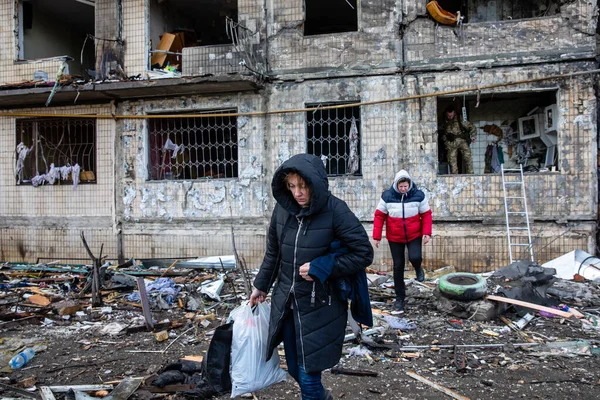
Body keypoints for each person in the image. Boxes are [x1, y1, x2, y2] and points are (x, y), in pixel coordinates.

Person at [250, 153, 374, 400]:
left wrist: (323, 266)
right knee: (295, 367)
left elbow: (363, 253)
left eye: (303, 186)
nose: (298, 193)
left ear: (315, 184)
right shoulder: (283, 210)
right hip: (286, 302)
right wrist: (261, 285)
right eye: (292, 186)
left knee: (308, 374)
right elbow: (274, 253)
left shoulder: (335, 210)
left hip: (321, 305)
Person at [372, 170, 432, 312]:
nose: (403, 189)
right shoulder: (387, 196)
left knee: (415, 257)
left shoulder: (418, 195)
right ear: (396, 185)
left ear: (409, 184)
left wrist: (427, 233)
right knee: (398, 266)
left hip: (414, 235)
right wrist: (376, 236)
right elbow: (379, 216)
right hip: (395, 237)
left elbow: (426, 214)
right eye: (401, 186)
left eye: (406, 186)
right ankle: (400, 298)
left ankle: (418, 268)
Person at [440, 105, 477, 174]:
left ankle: (471, 175)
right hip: (451, 143)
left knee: (468, 158)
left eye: (451, 115)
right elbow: (441, 133)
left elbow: (472, 127)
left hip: (462, 141)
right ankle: (454, 177)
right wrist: (445, 141)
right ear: (446, 114)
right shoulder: (443, 121)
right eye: (449, 116)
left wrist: (473, 136)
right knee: (452, 161)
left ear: (454, 113)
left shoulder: (460, 119)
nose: (450, 117)